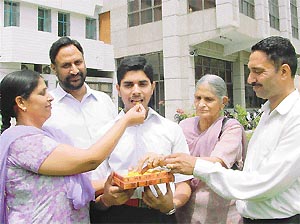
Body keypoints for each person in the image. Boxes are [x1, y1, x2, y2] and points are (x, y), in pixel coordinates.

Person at [152, 36, 300, 224]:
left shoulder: (295, 118)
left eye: (258, 72)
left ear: (284, 72)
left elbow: (263, 183)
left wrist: (196, 166)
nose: (250, 79)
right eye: (249, 71)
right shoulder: (268, 113)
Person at [0, 70, 146, 223]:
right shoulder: (24, 142)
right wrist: (125, 121)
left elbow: (68, 185)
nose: (50, 97)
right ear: (21, 102)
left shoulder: (46, 136)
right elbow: (91, 160)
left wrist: (126, 179)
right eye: (42, 93)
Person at [90, 56, 192, 223]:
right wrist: (107, 199)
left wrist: (171, 205)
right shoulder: (105, 133)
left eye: (142, 84)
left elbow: (184, 183)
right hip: (116, 214)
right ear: (118, 88)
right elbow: (93, 187)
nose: (136, 91)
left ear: (153, 87)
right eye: (128, 85)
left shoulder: (171, 129)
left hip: (160, 215)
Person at [174, 74, 247, 224]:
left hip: (222, 215)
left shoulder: (230, 127)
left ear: (223, 102)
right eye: (198, 98)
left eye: (208, 99)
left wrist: (185, 163)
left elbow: (217, 162)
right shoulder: (184, 126)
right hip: (186, 212)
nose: (201, 104)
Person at [43, 36, 117, 150]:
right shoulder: (46, 106)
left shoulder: (104, 101)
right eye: (66, 65)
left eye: (78, 62)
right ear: (54, 68)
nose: (75, 71)